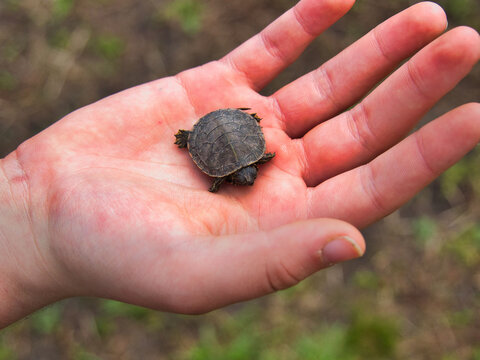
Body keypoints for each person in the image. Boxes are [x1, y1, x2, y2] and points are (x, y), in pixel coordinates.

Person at [0, 0, 479, 329]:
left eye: (249, 173)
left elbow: (260, 155)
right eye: (245, 176)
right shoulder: (229, 173)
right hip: (217, 127)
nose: (248, 179)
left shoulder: (254, 163)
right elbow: (229, 162)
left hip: (230, 123)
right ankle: (192, 135)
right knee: (192, 141)